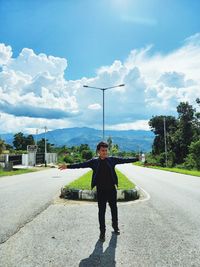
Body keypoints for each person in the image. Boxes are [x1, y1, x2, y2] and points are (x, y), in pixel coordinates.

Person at [58, 141, 138, 242]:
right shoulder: (94, 162)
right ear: (98, 151)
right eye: (102, 150)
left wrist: (137, 159)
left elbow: (125, 160)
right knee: (101, 212)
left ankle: (115, 226)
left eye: (106, 150)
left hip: (111, 190)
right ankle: (102, 232)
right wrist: (68, 166)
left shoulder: (112, 160)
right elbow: (80, 165)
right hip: (101, 191)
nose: (105, 152)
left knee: (114, 209)